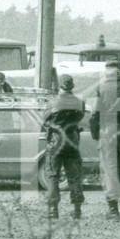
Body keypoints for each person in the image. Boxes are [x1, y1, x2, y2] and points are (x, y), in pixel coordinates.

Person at [89, 60, 120, 219]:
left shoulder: (102, 87)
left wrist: (95, 134)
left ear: (107, 72)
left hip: (107, 130)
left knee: (110, 170)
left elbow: (94, 115)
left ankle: (113, 211)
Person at [42, 74, 85, 220]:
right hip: (72, 139)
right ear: (72, 85)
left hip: (55, 141)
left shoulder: (53, 102)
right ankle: (77, 210)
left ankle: (53, 210)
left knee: (53, 175)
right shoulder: (79, 101)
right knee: (74, 175)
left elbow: (45, 121)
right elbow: (80, 117)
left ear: (60, 85)